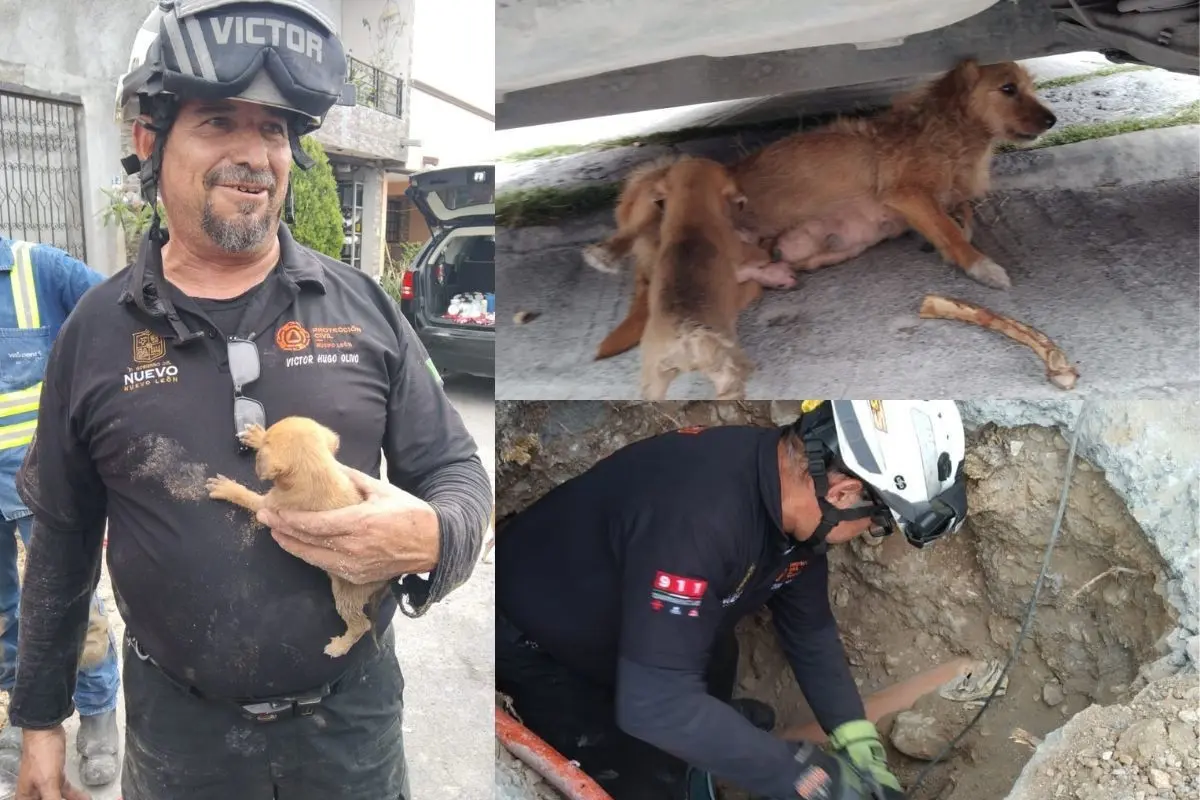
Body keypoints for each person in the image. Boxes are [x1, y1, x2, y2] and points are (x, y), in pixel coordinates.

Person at [9, 2, 493, 799]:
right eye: (219, 122)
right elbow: (61, 542)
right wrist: (40, 726)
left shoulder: (363, 307)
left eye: (273, 130)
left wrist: (439, 537)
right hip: (180, 738)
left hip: (353, 728)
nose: (254, 155)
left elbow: (453, 468)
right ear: (148, 142)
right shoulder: (94, 332)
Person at [496, 400, 969, 800]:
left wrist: (853, 732)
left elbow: (808, 628)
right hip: (541, 643)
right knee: (647, 783)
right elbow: (656, 705)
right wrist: (809, 778)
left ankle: (707, 750)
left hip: (638, 623)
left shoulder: (785, 493)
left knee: (716, 667)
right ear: (844, 493)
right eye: (877, 521)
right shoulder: (700, 518)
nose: (869, 531)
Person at [0, 236, 119, 793]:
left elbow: (121, 317)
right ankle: (20, 721)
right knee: (2, 614)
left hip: (43, 484)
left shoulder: (37, 270)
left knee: (76, 608)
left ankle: (97, 717)